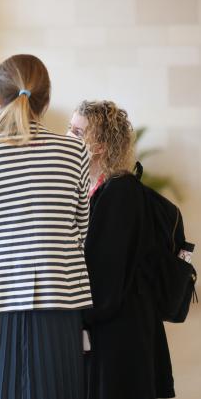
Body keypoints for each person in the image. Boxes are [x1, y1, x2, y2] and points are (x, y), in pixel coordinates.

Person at [0, 54, 91, 399]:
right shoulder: (74, 152)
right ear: (46, 100)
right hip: (58, 295)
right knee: (55, 388)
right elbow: (81, 228)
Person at [67, 100, 175, 399]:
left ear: (99, 145)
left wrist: (77, 318)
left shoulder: (121, 192)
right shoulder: (96, 188)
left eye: (77, 132)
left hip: (120, 332)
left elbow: (106, 275)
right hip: (110, 323)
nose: (68, 137)